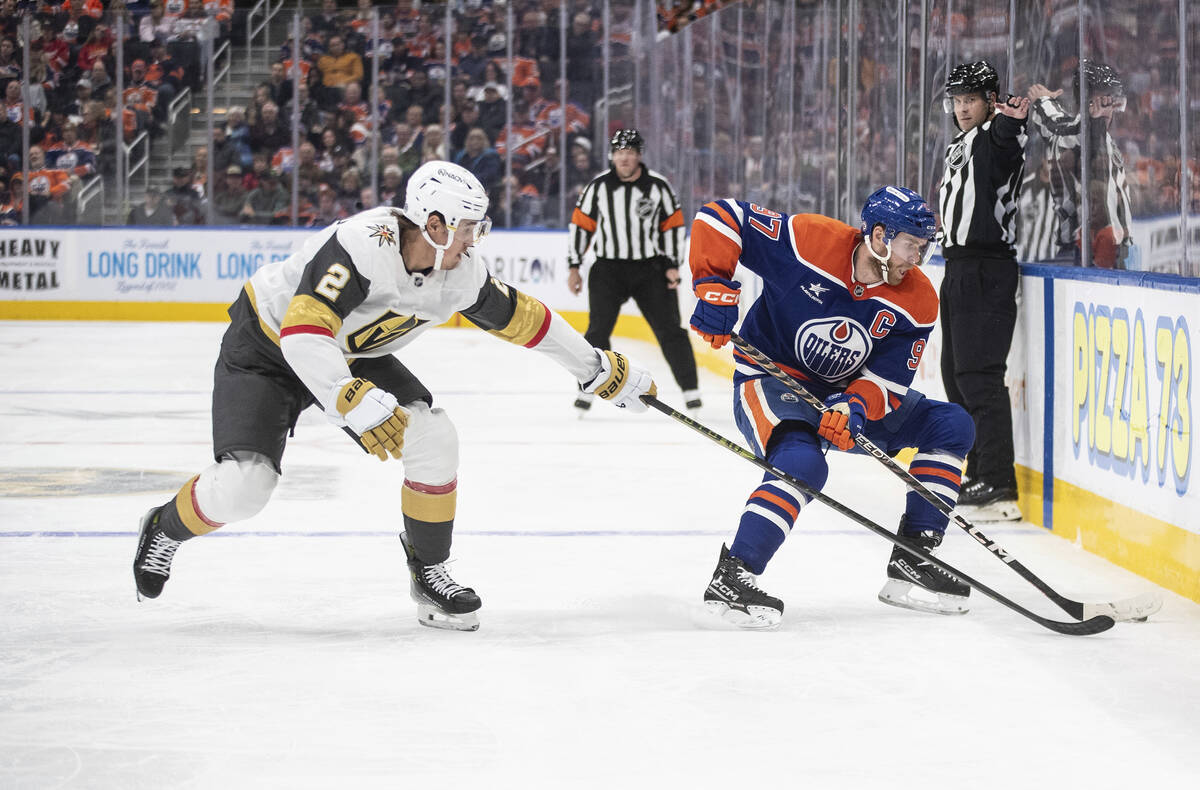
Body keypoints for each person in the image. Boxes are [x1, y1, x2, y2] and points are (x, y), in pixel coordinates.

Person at [131, 161, 658, 632]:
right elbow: (304, 329)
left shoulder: (461, 272)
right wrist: (345, 397)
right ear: (434, 225)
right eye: (468, 229)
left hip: (350, 357)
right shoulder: (362, 244)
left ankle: (429, 569)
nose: (474, 242)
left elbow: (524, 320)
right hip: (268, 346)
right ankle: (164, 526)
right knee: (247, 488)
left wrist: (594, 368)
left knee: (434, 435)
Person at [688, 187, 975, 628]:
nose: (916, 259)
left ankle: (914, 558)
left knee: (951, 424)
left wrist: (855, 405)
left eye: (924, 248)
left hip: (843, 397)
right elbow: (722, 216)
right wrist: (713, 286)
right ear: (879, 235)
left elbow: (889, 380)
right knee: (802, 464)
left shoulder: (918, 299)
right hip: (772, 379)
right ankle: (734, 574)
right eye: (910, 246)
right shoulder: (810, 241)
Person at [937, 60, 1028, 523]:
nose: (962, 107)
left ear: (990, 100)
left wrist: (1012, 119)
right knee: (956, 376)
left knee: (979, 377)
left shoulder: (994, 137)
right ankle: (979, 471)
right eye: (956, 99)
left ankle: (997, 483)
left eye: (970, 98)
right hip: (958, 269)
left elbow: (1006, 144)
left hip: (985, 271)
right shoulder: (963, 141)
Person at [566, 129, 700, 414]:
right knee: (597, 331)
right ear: (612, 156)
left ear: (639, 156)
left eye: (630, 153)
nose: (624, 158)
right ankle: (586, 391)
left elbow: (673, 228)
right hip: (608, 269)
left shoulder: (659, 187)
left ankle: (691, 390)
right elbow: (581, 226)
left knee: (670, 330)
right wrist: (574, 266)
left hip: (649, 269)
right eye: (619, 153)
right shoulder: (598, 186)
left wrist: (673, 265)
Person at [1027, 60, 1134, 270]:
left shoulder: (1104, 138)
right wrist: (1043, 102)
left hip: (1110, 249)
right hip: (1080, 251)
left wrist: (1045, 102)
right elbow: (1060, 128)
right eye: (1101, 100)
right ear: (1085, 102)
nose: (1107, 107)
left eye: (1110, 100)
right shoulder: (1077, 135)